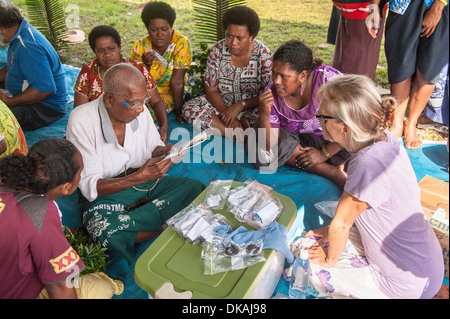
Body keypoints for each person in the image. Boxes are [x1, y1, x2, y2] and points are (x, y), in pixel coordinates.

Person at [300, 74, 444, 299]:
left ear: (344, 127)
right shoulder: (385, 138)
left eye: (322, 116)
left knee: (307, 265)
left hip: (403, 286)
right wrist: (330, 232)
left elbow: (340, 225)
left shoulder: (366, 163)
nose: (318, 119)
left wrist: (329, 259)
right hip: (429, 268)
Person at [66, 63, 206, 264]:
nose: (141, 109)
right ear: (109, 99)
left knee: (196, 189)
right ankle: (170, 222)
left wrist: (167, 151)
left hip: (145, 182)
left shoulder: (140, 111)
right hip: (109, 193)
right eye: (133, 103)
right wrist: (139, 177)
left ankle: (143, 222)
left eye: (144, 101)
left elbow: (154, 148)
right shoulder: (81, 120)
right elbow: (92, 188)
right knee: (103, 231)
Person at [255, 40, 350, 188]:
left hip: (334, 142)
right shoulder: (271, 94)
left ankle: (332, 166)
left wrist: (323, 154)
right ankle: (330, 172)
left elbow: (352, 120)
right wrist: (263, 113)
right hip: (301, 146)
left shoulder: (327, 80)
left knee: (356, 126)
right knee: (261, 138)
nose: (276, 81)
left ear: (302, 75)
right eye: (274, 73)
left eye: (283, 76)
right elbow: (270, 145)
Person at [367, 0, 449, 149]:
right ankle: (397, 124)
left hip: (442, 7)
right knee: (400, 63)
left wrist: (439, 5)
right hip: (402, 5)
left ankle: (411, 123)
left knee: (430, 68)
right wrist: (374, 6)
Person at [181, 6, 272, 139]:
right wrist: (228, 115)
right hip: (221, 105)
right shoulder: (217, 51)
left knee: (268, 117)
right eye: (229, 36)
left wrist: (241, 106)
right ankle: (237, 135)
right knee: (189, 108)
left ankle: (238, 128)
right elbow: (211, 91)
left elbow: (267, 95)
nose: (233, 43)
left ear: (251, 36)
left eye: (239, 38)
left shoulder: (262, 54)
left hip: (252, 108)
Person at [74, 25, 169, 142]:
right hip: (99, 125)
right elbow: (80, 111)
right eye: (100, 50)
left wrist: (164, 125)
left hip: (135, 121)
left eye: (111, 48)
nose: (107, 54)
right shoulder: (88, 72)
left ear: (119, 47)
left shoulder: (137, 68)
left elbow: (156, 101)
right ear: (95, 52)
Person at [0, 1, 68, 131]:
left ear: (1, 28)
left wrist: (9, 102)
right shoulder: (19, 32)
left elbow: (44, 89)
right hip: (29, 94)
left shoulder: (28, 47)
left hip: (45, 107)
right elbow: (12, 65)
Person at [131, 1, 192, 123]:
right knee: (127, 109)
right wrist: (146, 66)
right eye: (154, 30)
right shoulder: (140, 46)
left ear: (171, 27)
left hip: (168, 93)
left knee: (144, 113)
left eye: (164, 29)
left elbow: (177, 82)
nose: (159, 34)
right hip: (145, 93)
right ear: (147, 29)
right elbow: (135, 83)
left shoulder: (181, 43)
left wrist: (179, 113)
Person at [332, 0, 387, 80]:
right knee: (351, 69)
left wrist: (373, 9)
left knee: (354, 70)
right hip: (360, 8)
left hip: (364, 9)